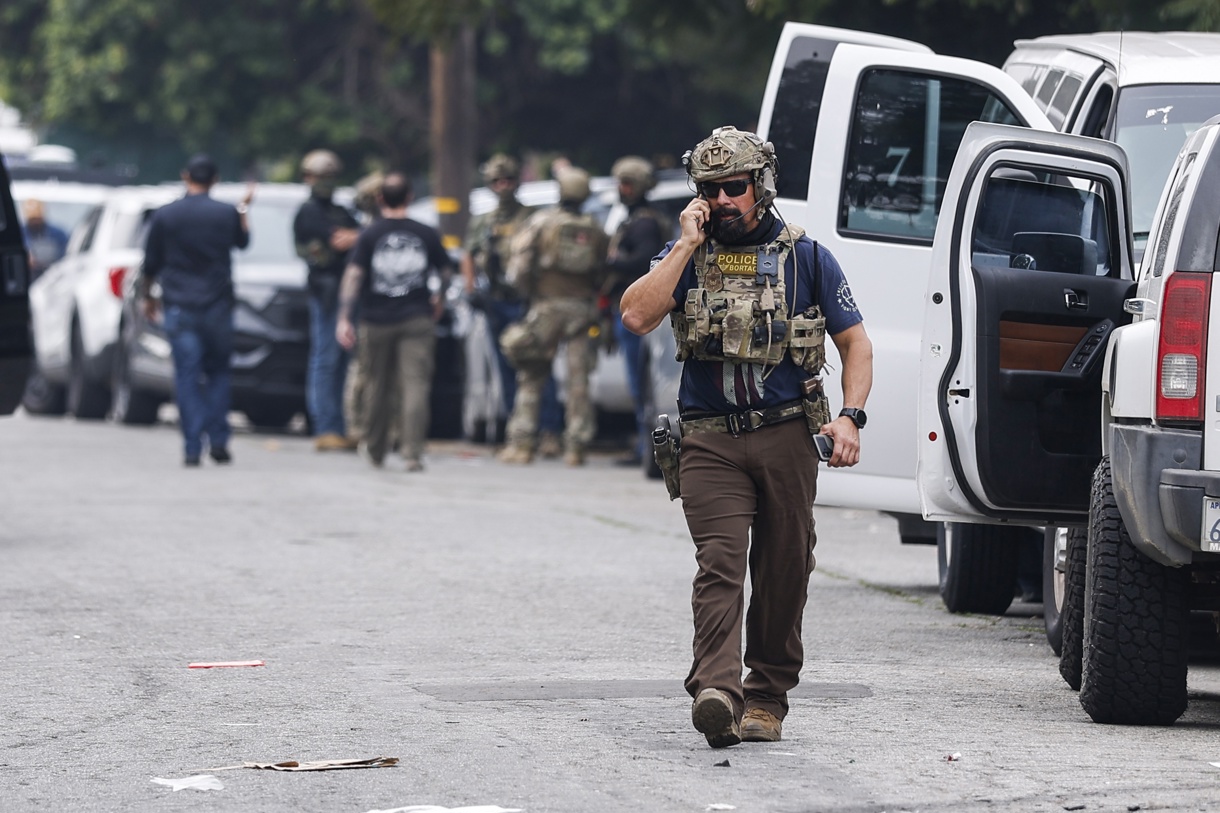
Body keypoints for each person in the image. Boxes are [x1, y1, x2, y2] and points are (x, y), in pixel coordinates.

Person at [620, 126, 873, 748]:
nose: (723, 198)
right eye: (710, 188)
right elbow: (635, 314)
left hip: (787, 432)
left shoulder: (806, 257)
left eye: (735, 186)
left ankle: (766, 698)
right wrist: (683, 246)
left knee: (786, 566)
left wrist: (851, 416)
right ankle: (717, 692)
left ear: (762, 187)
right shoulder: (689, 253)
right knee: (721, 563)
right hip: (708, 439)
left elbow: (855, 343)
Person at [140, 154, 254, 467]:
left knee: (187, 377)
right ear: (215, 180)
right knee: (218, 373)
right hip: (217, 306)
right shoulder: (226, 213)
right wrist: (244, 208)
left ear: (185, 176)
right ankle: (218, 439)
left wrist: (148, 297)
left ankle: (192, 446)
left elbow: (151, 262)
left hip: (179, 306)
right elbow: (242, 242)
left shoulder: (166, 215)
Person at [335, 172, 449, 472]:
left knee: (377, 385)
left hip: (375, 320)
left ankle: (375, 449)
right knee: (415, 386)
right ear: (410, 197)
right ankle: (412, 452)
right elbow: (446, 271)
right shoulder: (426, 233)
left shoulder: (370, 235)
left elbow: (354, 276)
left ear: (380, 199)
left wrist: (345, 317)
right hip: (417, 319)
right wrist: (441, 298)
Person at [497, 167, 608, 466]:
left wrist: (528, 291)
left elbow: (519, 266)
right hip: (582, 310)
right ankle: (576, 447)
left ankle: (522, 445)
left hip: (546, 308)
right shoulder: (595, 229)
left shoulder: (541, 221)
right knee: (578, 382)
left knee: (532, 375)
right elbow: (603, 270)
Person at [604, 156, 670, 466]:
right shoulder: (637, 219)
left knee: (640, 382)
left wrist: (614, 262)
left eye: (627, 184)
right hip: (631, 309)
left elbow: (644, 260)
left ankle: (647, 448)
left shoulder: (644, 223)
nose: (621, 190)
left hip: (639, 312)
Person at [294, 148, 361, 452]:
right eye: (320, 177)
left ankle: (338, 425)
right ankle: (325, 427)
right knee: (325, 359)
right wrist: (355, 236)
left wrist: (356, 235)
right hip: (325, 292)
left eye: (329, 177)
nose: (325, 183)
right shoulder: (309, 211)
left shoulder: (340, 210)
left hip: (345, 293)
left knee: (342, 360)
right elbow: (339, 240)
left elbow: (357, 236)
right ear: (308, 178)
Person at [20, 199, 69, 283]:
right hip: (28, 276)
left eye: (37, 218)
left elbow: (67, 254)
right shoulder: (20, 233)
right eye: (32, 219)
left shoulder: (58, 234)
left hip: (54, 276)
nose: (35, 222)